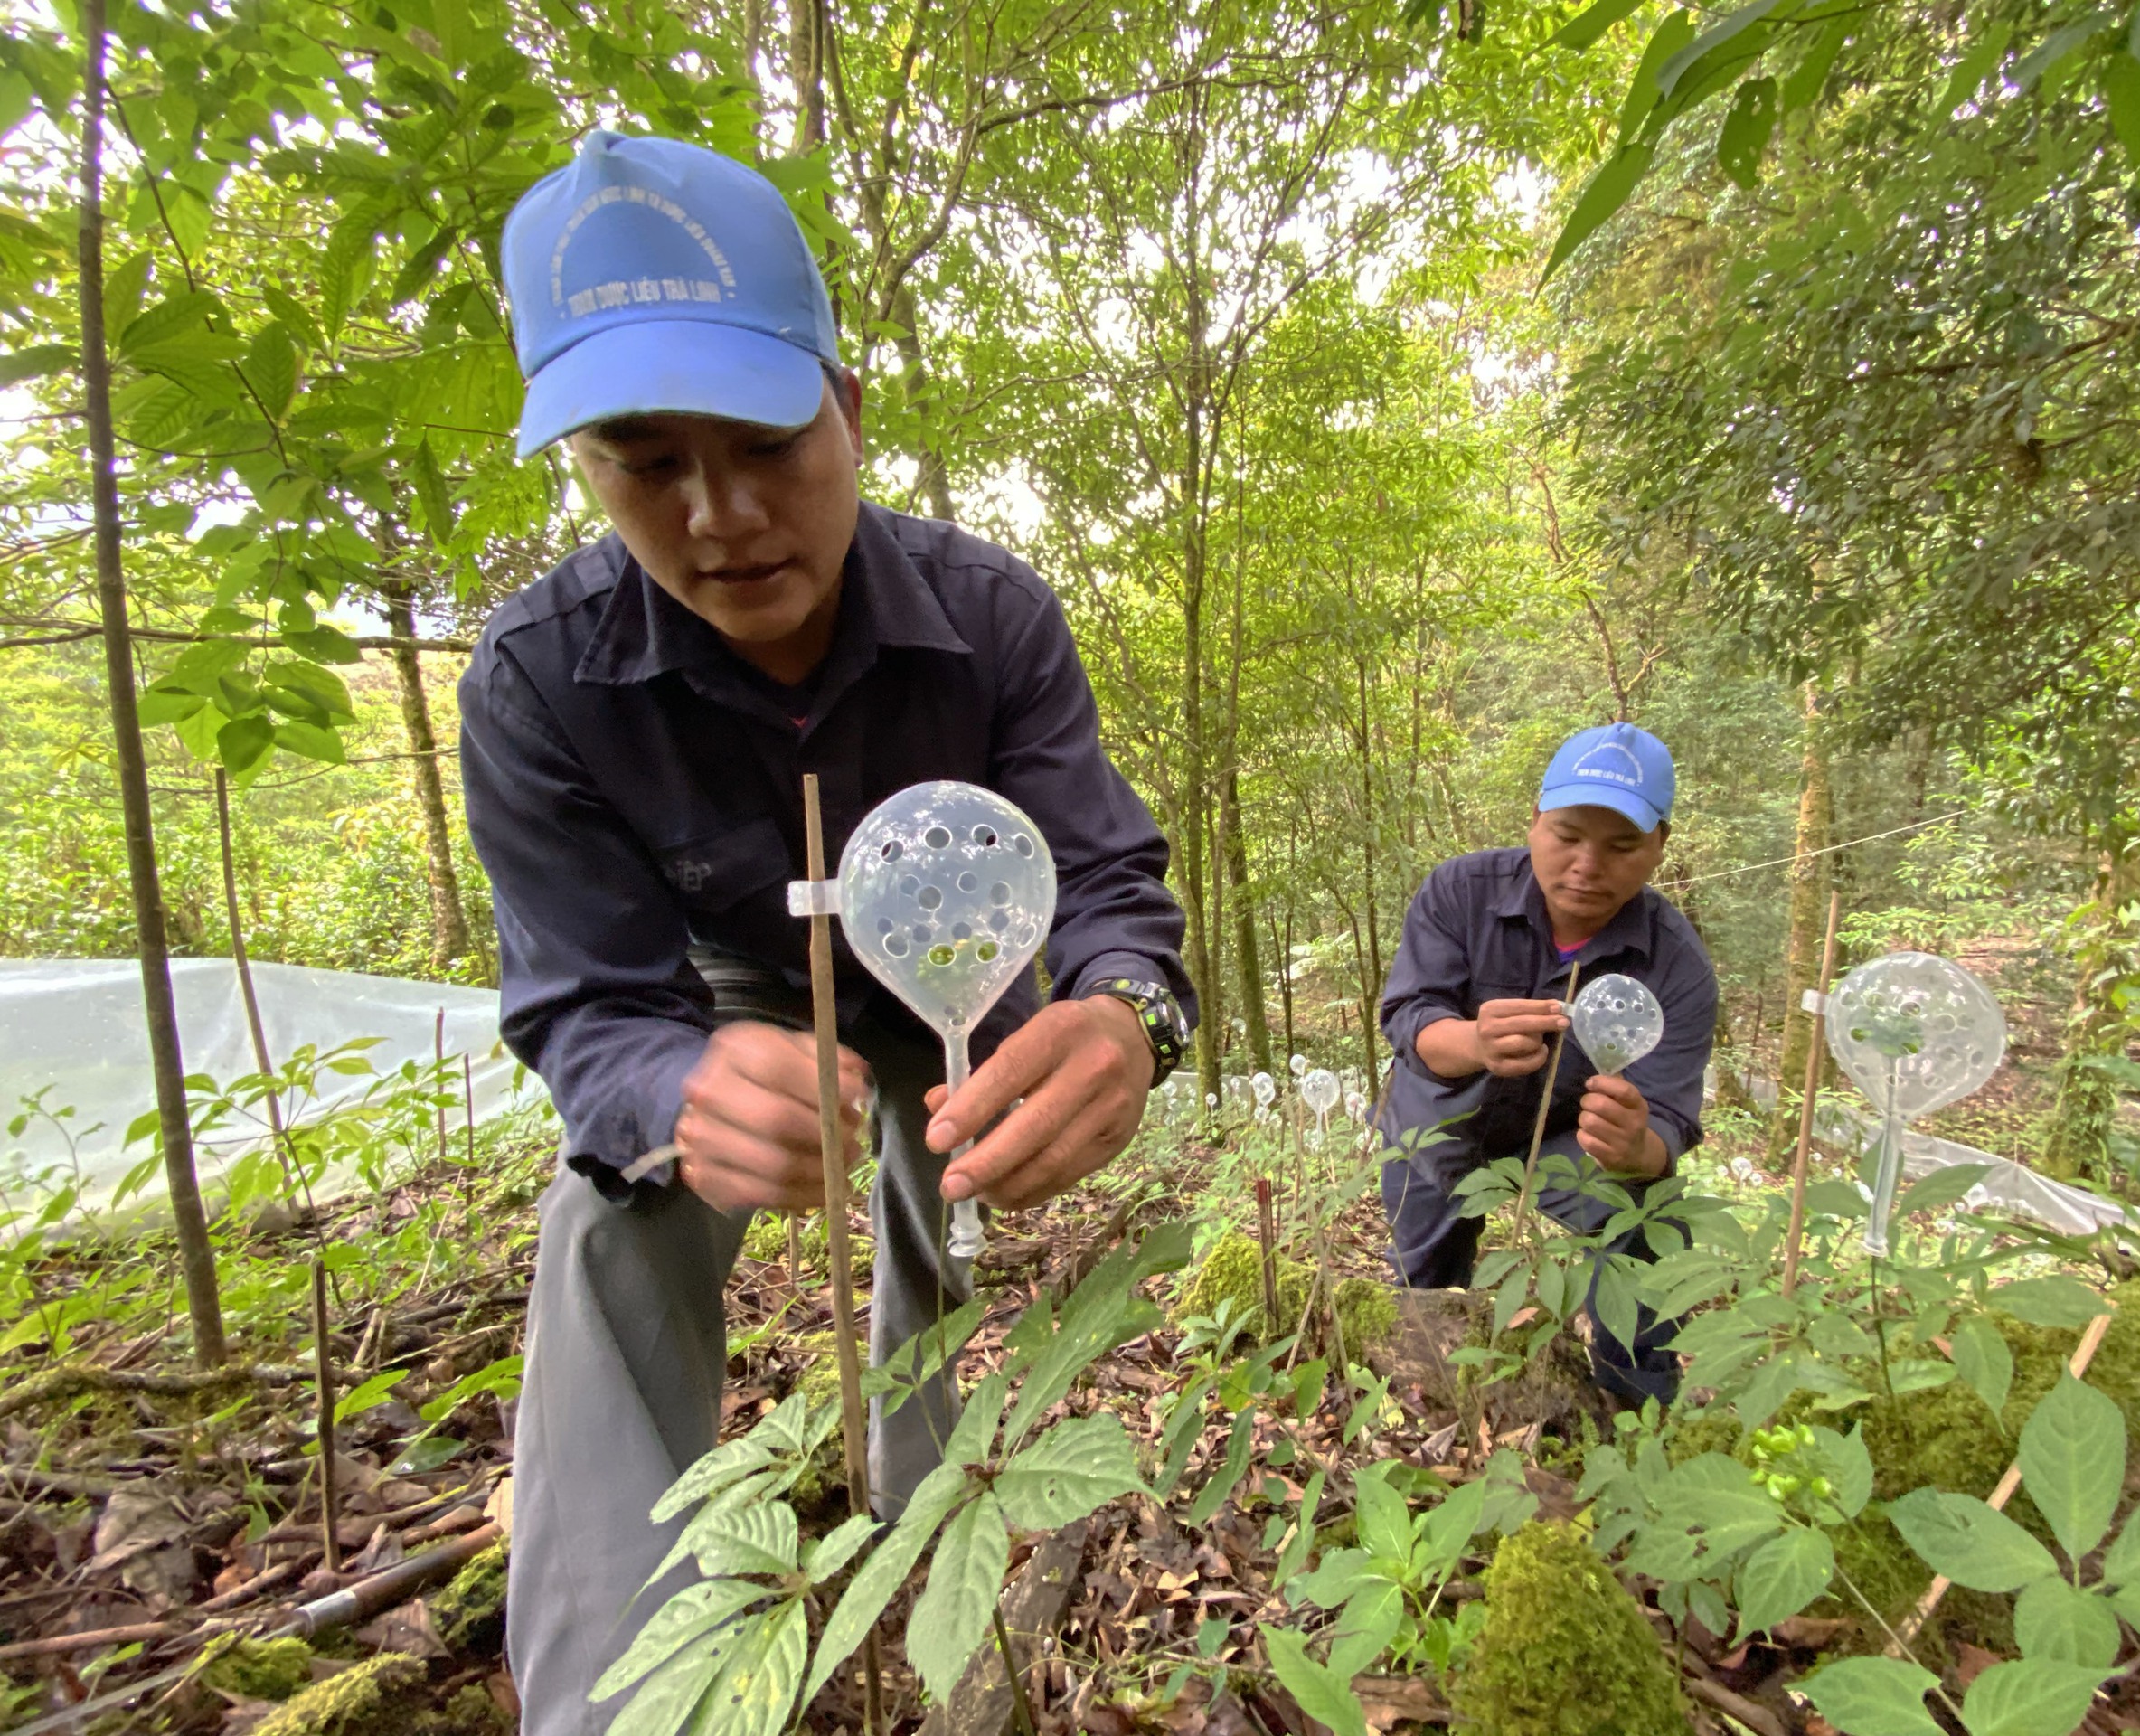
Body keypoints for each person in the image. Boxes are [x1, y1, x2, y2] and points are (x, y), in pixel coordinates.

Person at [457, 132, 1195, 1735]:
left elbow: (1113, 886)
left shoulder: (990, 620)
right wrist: (671, 1096)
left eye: (766, 440)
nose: (719, 516)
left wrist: (1132, 1018)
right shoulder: (539, 682)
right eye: (646, 460)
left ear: (847, 410)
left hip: (957, 979)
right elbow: (585, 1011)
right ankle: (609, 1699)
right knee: (609, 1220)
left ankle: (935, 1589)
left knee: (949, 1191)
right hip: (720, 992)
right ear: (584, 465)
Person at [1375, 722, 1718, 1406]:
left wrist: (1635, 1147)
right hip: (1440, 1115)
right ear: (1534, 821)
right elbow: (1407, 1017)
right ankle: (1421, 1397)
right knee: (1424, 1277)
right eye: (1566, 836)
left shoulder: (1677, 965)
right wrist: (1473, 1041)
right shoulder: (1459, 892)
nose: (1588, 866)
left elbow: (1669, 1126)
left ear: (1658, 847)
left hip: (1570, 1137)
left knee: (1647, 1223)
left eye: (1621, 846)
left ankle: (1635, 1407)